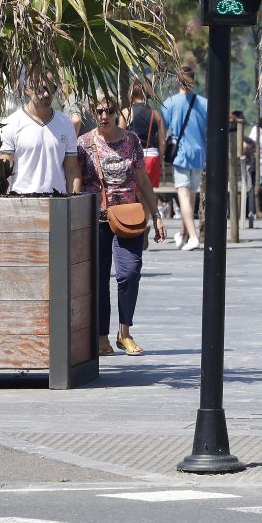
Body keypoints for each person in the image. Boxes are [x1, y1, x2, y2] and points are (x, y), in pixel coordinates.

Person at [81, 93, 166, 356]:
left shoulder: (131, 140)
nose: (104, 115)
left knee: (129, 272)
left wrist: (157, 215)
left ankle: (124, 332)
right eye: (98, 111)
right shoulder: (85, 143)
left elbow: (142, 180)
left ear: (117, 111)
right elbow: (76, 180)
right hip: (97, 218)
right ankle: (101, 337)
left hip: (129, 216)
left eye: (108, 110)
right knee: (99, 278)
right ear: (92, 113)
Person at [0, 77, 81, 195]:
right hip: (21, 202)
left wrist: (74, 205)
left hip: (58, 203)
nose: (47, 94)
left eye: (51, 88)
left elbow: (72, 170)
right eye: (40, 89)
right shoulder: (11, 124)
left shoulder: (66, 124)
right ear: (27, 90)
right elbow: (4, 170)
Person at [162, 63, 209, 252]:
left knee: (183, 195)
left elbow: (162, 127)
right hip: (199, 153)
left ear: (177, 81)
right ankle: (182, 234)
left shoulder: (170, 103)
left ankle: (193, 237)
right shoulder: (204, 103)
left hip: (181, 153)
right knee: (190, 197)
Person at [121, 81, 166, 189]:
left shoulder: (126, 113)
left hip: (132, 158)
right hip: (151, 157)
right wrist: (159, 161)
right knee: (149, 194)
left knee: (133, 195)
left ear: (130, 94)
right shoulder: (156, 114)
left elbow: (120, 138)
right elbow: (162, 142)